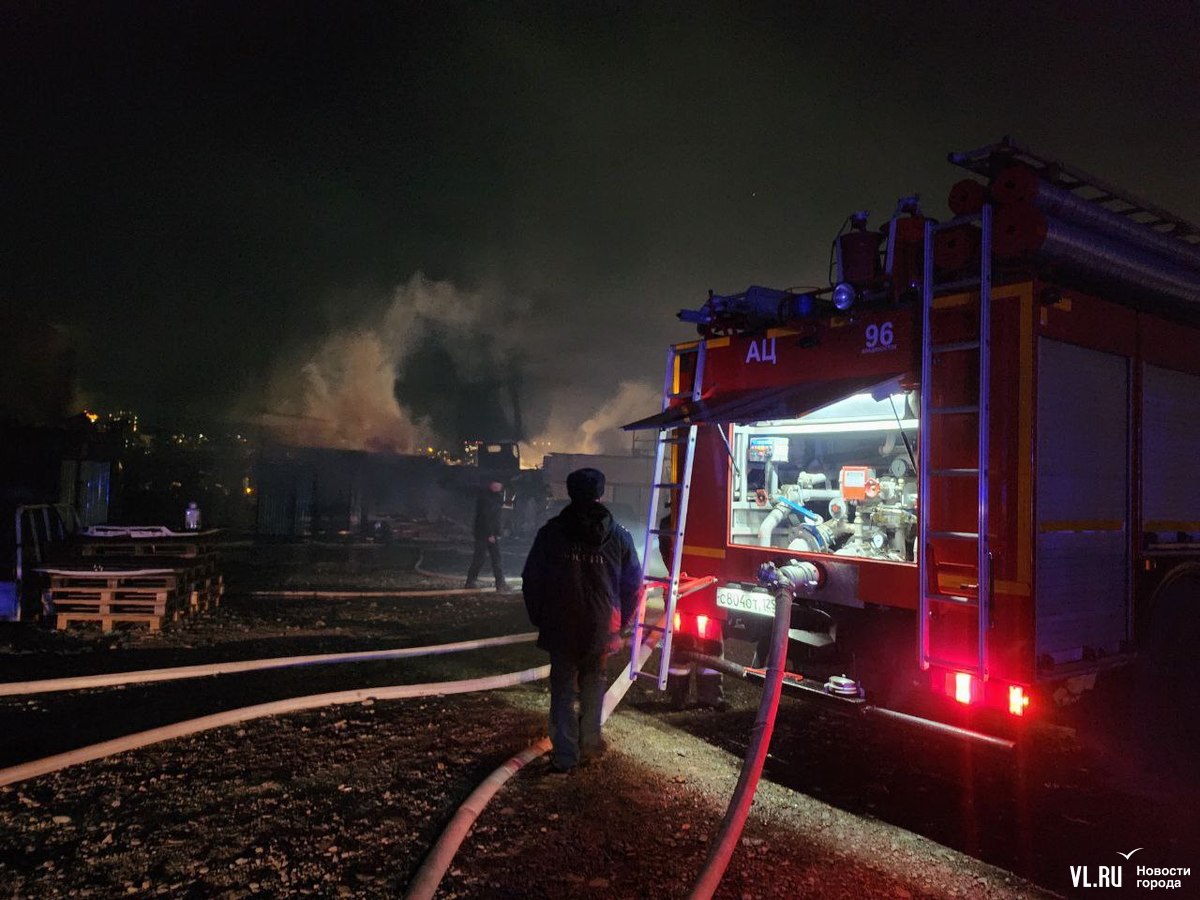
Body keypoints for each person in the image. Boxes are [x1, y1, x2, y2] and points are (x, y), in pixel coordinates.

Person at [522, 467, 642, 774]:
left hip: (561, 627)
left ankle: (565, 755)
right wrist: (621, 623)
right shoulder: (619, 537)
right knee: (593, 686)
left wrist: (541, 617)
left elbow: (532, 579)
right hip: (601, 629)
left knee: (562, 690)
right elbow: (633, 586)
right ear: (601, 494)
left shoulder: (551, 533)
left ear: (569, 492)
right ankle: (590, 747)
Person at [465, 480, 509, 591]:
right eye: (495, 483)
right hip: (484, 533)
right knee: (481, 558)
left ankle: (500, 584)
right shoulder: (486, 498)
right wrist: (490, 534)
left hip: (490, 534)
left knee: (494, 558)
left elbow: (496, 518)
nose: (497, 485)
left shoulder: (497, 498)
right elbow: (486, 517)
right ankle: (471, 581)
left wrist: (497, 532)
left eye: (498, 483)